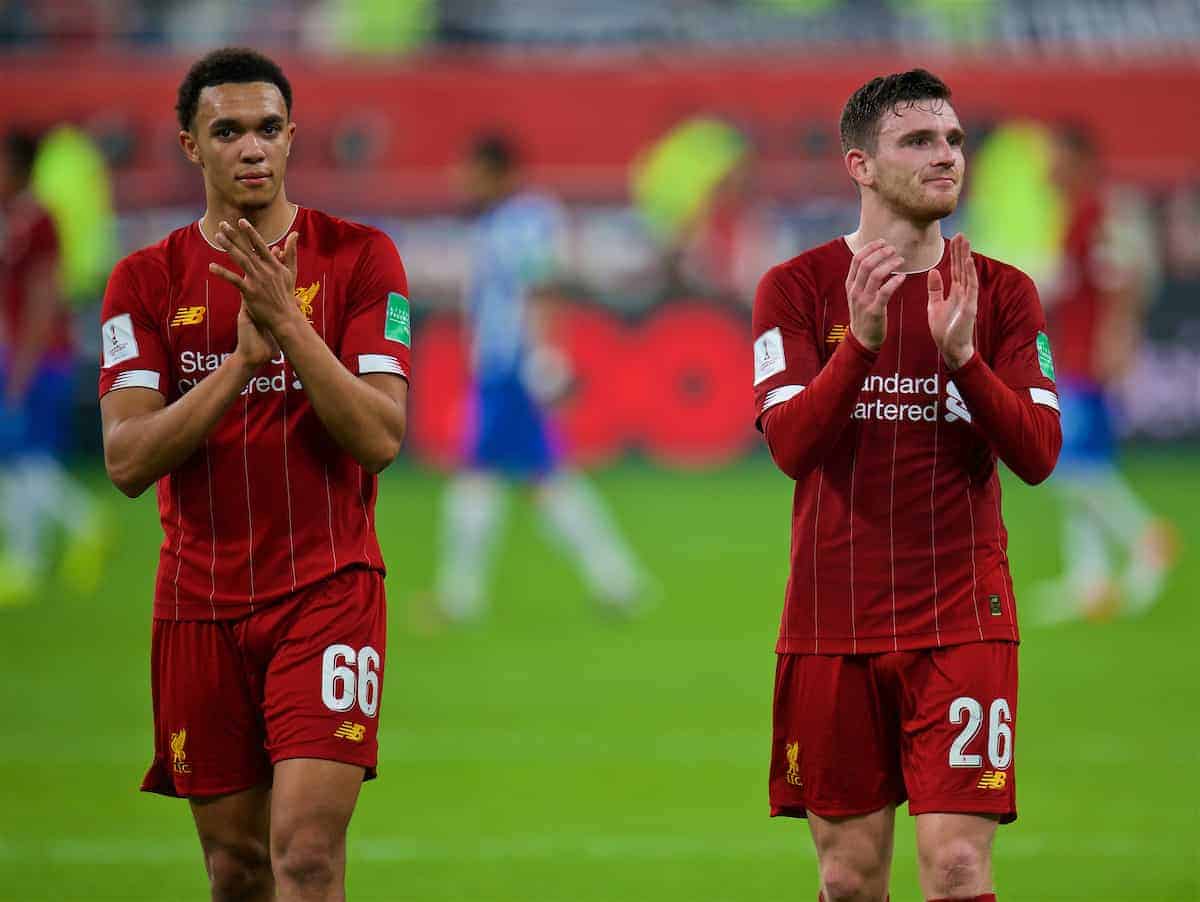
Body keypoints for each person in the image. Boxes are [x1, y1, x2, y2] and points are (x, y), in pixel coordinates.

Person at [98, 48, 410, 900]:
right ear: (190, 145)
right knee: (235, 870)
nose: (251, 148)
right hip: (198, 605)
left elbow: (381, 437)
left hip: (328, 590)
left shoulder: (362, 259)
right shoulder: (143, 280)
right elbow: (126, 460)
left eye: (268, 129)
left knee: (305, 855)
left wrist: (288, 328)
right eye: (227, 130)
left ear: (292, 137)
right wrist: (238, 366)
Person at [752, 70, 1061, 901]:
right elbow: (788, 445)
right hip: (832, 622)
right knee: (849, 880)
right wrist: (859, 346)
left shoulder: (1002, 294)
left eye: (954, 140)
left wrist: (963, 360)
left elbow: (1038, 454)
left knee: (959, 869)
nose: (947, 157)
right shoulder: (795, 289)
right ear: (859, 164)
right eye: (919, 141)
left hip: (963, 617)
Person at [429, 134, 644, 624]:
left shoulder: (525, 219)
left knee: (478, 473)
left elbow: (542, 286)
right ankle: (618, 581)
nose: (462, 180)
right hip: (503, 364)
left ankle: (459, 598)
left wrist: (544, 355)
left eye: (472, 170)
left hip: (512, 364)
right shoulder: (498, 222)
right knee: (545, 479)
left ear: (498, 173)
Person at [1036, 125, 1177, 622]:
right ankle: (1089, 582)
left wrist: (1116, 336)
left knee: (1072, 466)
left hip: (1086, 358)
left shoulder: (1093, 212)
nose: (1045, 168)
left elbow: (1122, 277)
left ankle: (1144, 537)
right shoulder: (1079, 211)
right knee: (1085, 462)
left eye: (1053, 156)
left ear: (1077, 158)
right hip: (1074, 352)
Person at [0, 131, 105, 606]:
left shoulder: (37, 221)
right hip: (23, 353)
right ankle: (43, 547)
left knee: (27, 459)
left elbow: (44, 295)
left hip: (41, 357)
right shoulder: (14, 220)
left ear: (20, 168)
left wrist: (23, 365)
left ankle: (36, 552)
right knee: (19, 461)